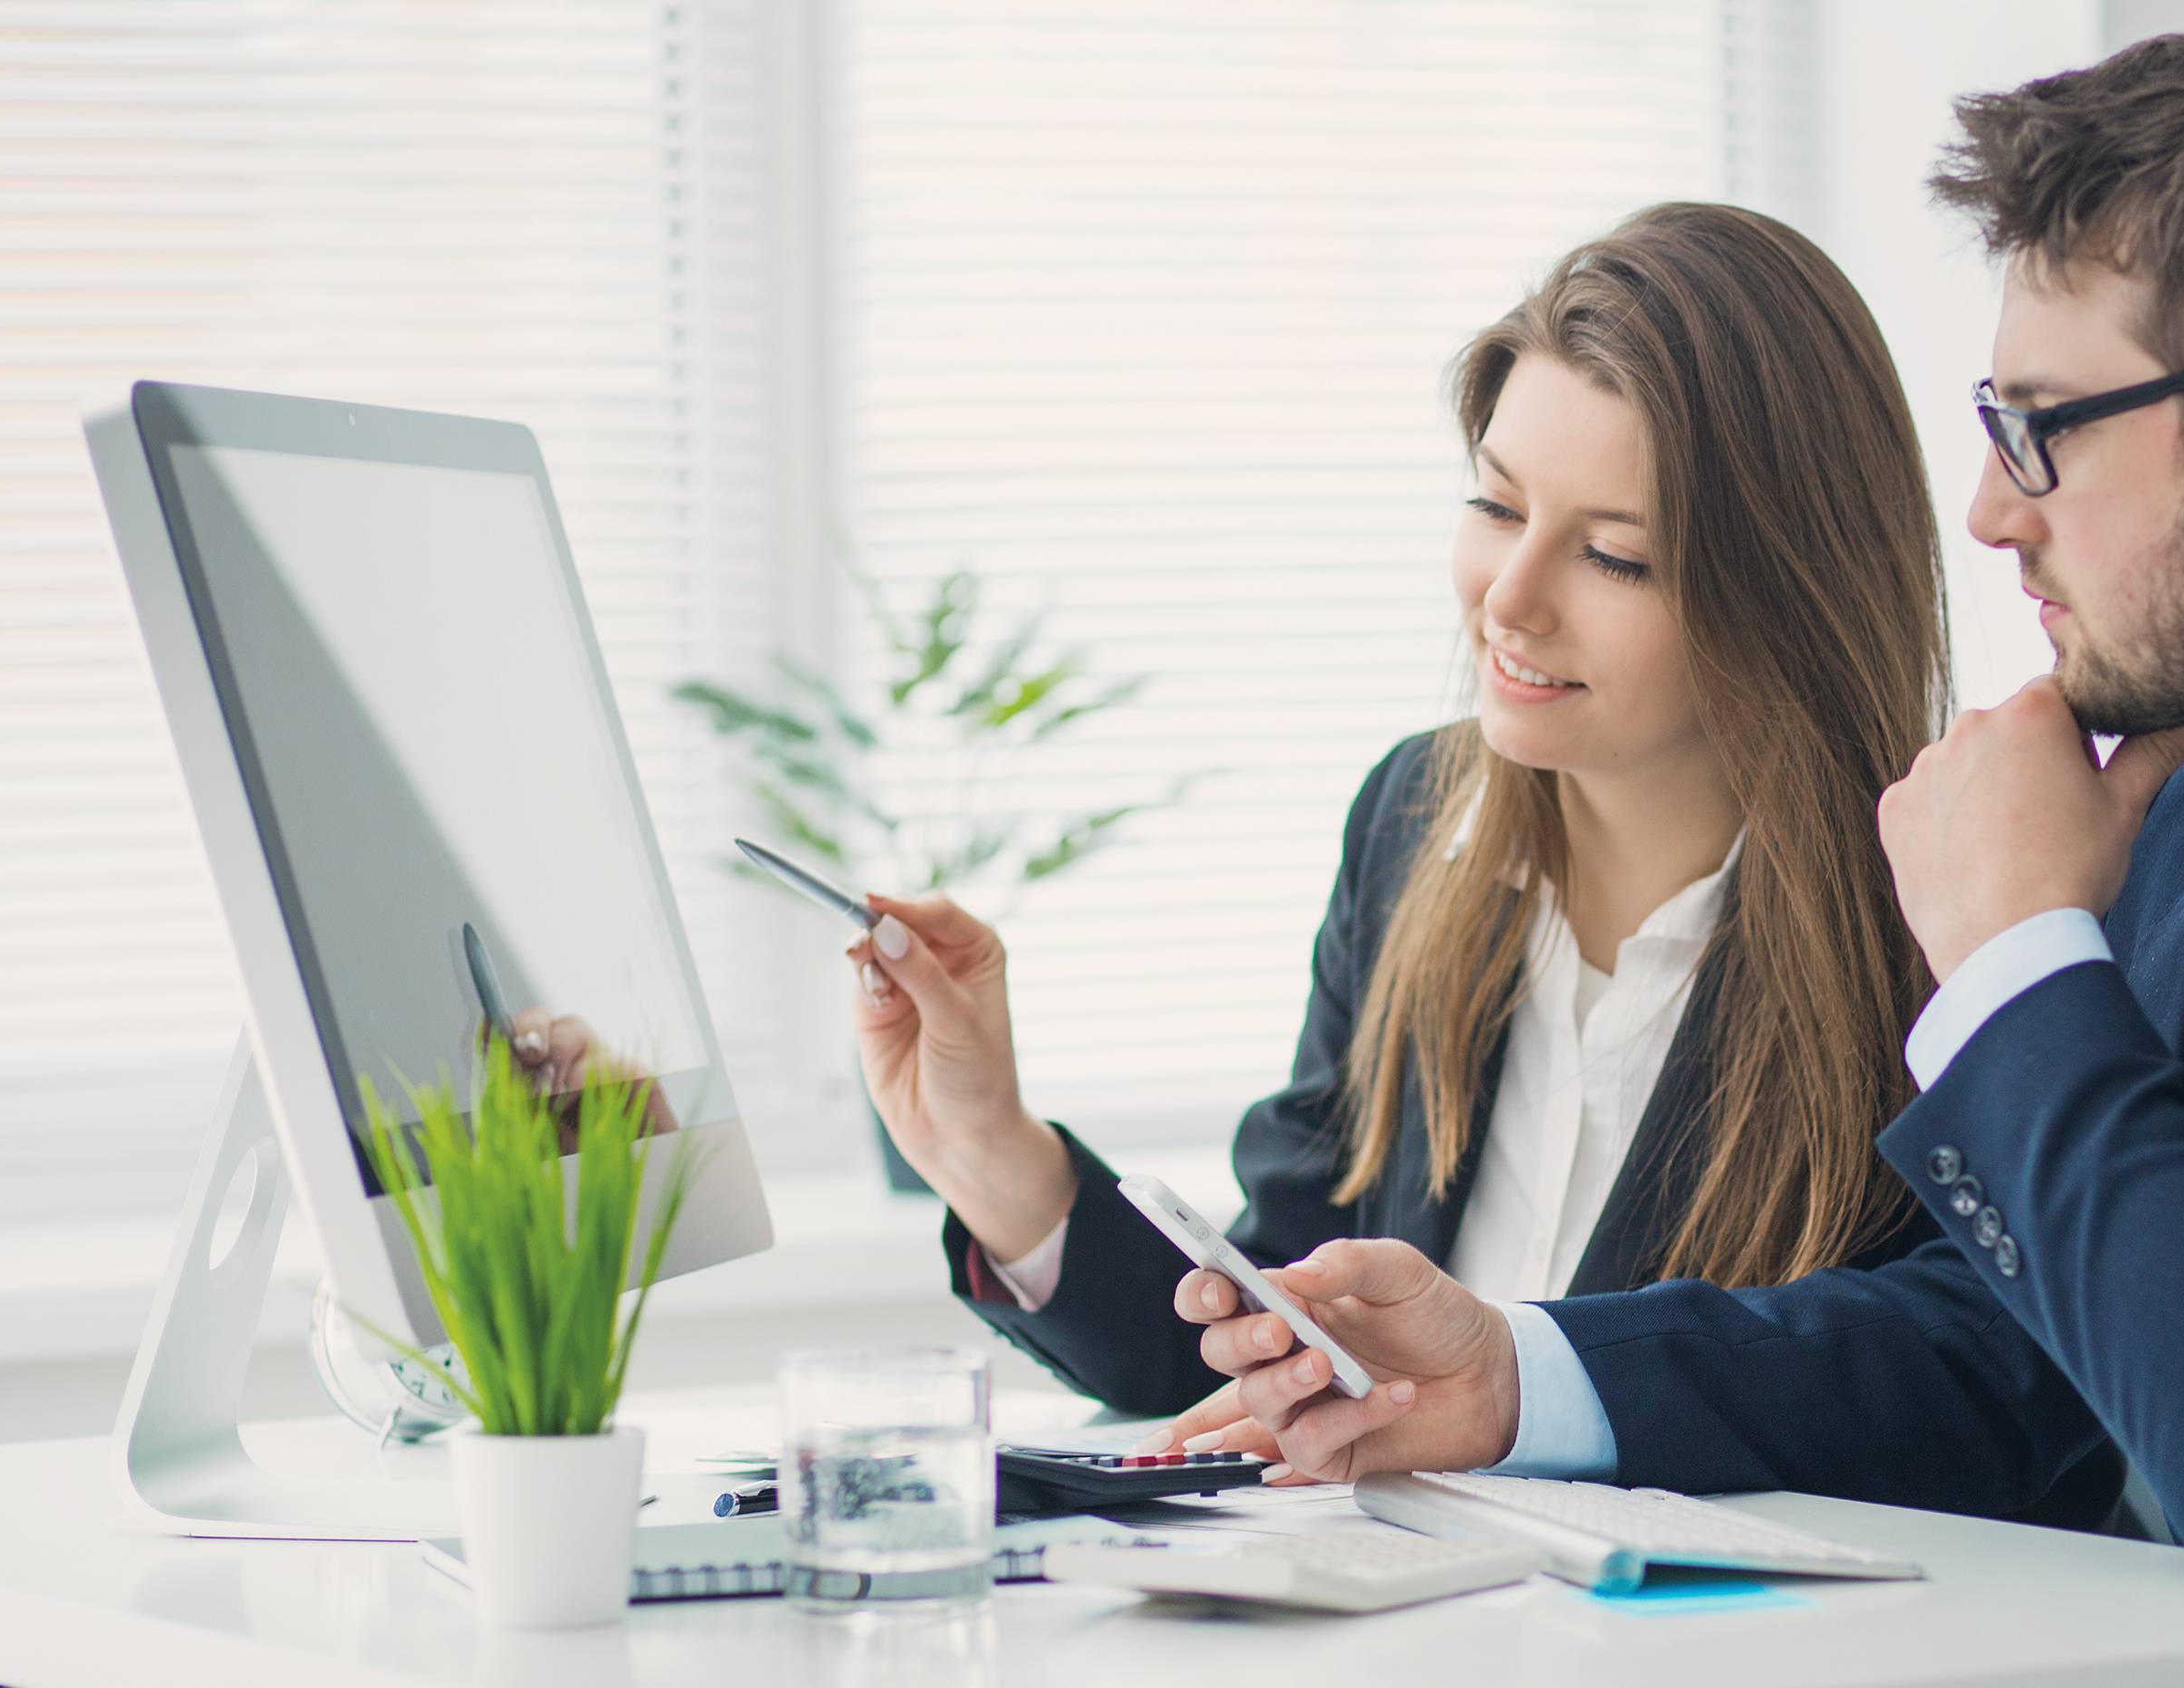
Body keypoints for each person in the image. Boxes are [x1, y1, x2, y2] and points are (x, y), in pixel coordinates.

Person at [1169, 25, 2184, 1685]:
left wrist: (2013, 960)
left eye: (2042, 426)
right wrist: (1519, 1371)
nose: (1991, 511)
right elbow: (2024, 1355)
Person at [843, 203, 2116, 1529]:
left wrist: (1530, 1384)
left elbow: (1986, 1388)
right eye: (1496, 504)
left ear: (1786, 589)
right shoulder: (1412, 825)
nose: (1510, 596)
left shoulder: (1949, 905)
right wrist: (997, 1152)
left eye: (1613, 552)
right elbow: (1266, 1341)